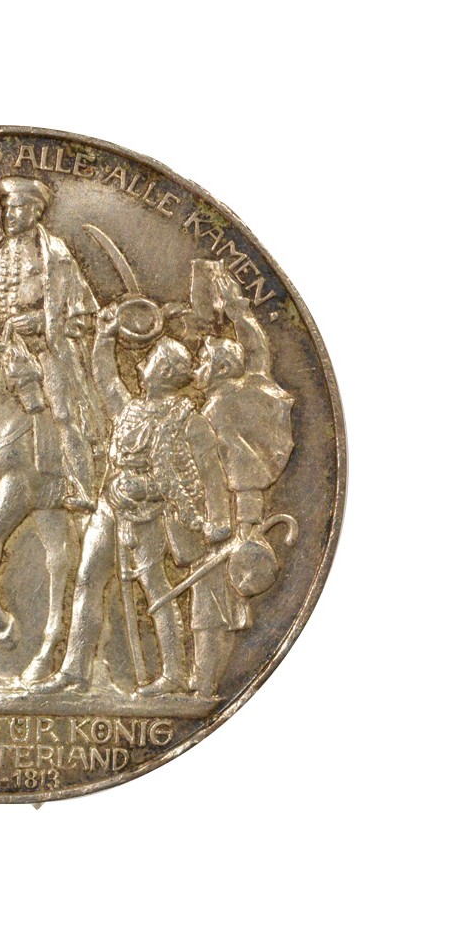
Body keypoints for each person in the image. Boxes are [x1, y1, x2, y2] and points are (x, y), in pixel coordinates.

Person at [33, 306, 231, 696]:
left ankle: (173, 673)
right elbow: (105, 377)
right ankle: (74, 670)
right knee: (88, 578)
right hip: (110, 505)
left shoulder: (188, 421)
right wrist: (105, 335)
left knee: (155, 588)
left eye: (151, 359)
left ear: (165, 372)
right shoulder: (130, 409)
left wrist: (219, 520)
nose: (142, 364)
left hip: (152, 512)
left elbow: (212, 473)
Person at [183, 269, 296, 698]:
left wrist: (244, 526)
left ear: (223, 367)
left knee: (212, 604)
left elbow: (238, 471)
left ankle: (205, 681)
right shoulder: (237, 395)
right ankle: (202, 677)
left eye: (203, 360)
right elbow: (258, 353)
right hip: (222, 517)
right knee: (211, 602)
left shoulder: (230, 403)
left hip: (227, 520)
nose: (197, 367)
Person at [0, 176, 103, 509]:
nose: (9, 215)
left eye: (18, 208)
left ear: (36, 211)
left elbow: (82, 315)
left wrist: (41, 322)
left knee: (63, 414)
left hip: (44, 350)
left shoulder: (56, 257)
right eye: (6, 208)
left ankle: (82, 488)